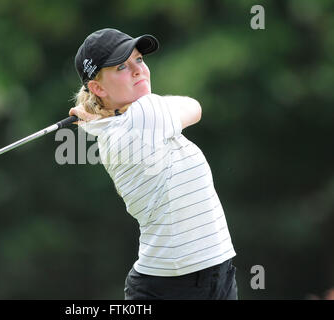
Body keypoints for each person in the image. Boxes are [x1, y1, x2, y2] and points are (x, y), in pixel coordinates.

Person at [69, 28, 238, 300]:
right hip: (174, 287)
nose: (138, 70)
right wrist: (106, 115)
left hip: (215, 272)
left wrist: (102, 114)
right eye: (122, 66)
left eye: (139, 60)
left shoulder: (117, 126)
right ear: (98, 88)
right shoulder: (142, 116)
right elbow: (194, 106)